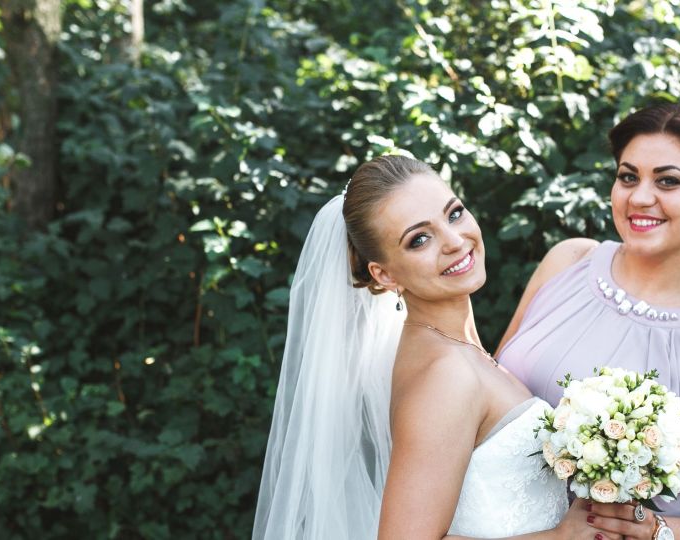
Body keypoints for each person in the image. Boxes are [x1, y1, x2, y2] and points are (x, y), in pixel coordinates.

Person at [254, 155, 619, 539]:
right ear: (384, 274)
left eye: (455, 213)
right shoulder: (446, 376)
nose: (454, 240)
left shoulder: (448, 350)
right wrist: (561, 538)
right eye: (419, 239)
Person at [495, 104, 680, 540]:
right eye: (628, 177)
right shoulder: (567, 261)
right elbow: (485, 395)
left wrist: (653, 531)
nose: (640, 197)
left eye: (667, 181)